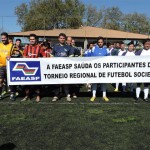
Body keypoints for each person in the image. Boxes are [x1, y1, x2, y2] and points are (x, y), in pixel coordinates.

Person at [51, 33, 74, 102]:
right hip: (57, 68)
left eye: (63, 38)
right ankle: (56, 95)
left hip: (66, 68)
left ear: (65, 39)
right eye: (61, 38)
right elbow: (52, 56)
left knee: (66, 82)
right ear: (58, 39)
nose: (62, 39)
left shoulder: (68, 47)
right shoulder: (55, 46)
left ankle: (67, 95)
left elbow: (71, 56)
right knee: (57, 82)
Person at [22, 34, 42, 102]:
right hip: (28, 68)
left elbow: (44, 57)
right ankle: (27, 95)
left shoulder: (39, 47)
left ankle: (38, 96)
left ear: (35, 40)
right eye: (30, 39)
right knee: (26, 83)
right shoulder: (27, 47)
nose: (32, 41)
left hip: (37, 68)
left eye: (33, 39)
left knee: (37, 83)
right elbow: (24, 56)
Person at [89, 36, 109, 102]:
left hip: (103, 69)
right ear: (97, 43)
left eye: (101, 42)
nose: (100, 43)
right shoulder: (94, 49)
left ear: (103, 42)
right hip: (95, 69)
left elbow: (109, 59)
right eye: (99, 42)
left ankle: (104, 95)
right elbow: (91, 58)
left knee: (104, 82)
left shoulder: (106, 49)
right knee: (94, 82)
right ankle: (93, 95)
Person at [0, 32, 13, 100]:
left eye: (4, 38)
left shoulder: (11, 45)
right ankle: (0, 95)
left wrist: (11, 56)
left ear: (7, 38)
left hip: (9, 66)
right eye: (2, 38)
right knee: (1, 81)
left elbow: (17, 54)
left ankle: (12, 94)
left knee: (10, 81)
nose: (3, 39)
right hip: (1, 66)